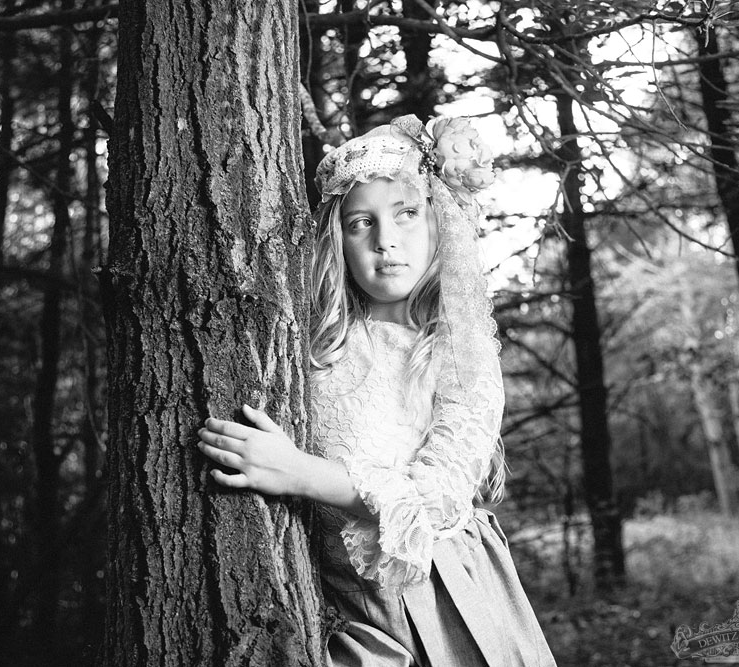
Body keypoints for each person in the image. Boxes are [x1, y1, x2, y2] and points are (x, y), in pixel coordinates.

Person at [197, 115, 557, 666]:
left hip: (441, 592)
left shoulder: (458, 354)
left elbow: (437, 498)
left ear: (439, 224)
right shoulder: (315, 339)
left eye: (406, 214)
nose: (386, 240)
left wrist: (298, 472)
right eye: (361, 222)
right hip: (342, 602)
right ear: (336, 237)